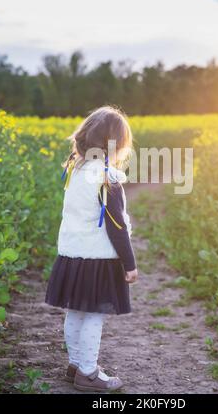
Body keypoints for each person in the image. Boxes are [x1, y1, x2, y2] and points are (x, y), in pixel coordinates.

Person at [45, 105, 138, 392]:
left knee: (76, 312)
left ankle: (75, 366)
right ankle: (88, 372)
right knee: (94, 315)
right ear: (116, 144)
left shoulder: (76, 169)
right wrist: (129, 262)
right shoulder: (107, 178)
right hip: (98, 258)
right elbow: (117, 226)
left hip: (72, 254)